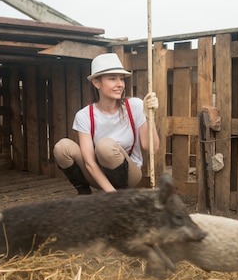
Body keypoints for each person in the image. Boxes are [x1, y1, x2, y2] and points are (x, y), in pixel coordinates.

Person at [53, 53, 159, 194]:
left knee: (105, 146)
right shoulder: (84, 115)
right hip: (99, 175)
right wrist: (110, 193)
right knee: (62, 147)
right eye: (112, 79)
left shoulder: (135, 106)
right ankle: (84, 195)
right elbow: (90, 162)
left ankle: (122, 193)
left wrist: (149, 116)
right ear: (96, 83)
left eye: (121, 79)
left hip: (129, 175)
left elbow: (151, 148)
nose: (120, 84)